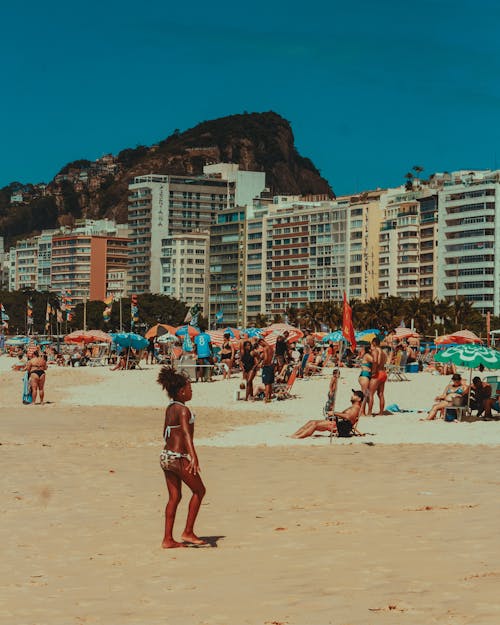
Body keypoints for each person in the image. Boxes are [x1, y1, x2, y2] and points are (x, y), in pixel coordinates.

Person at [157, 367, 206, 549]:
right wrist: (193, 456)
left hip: (165, 456)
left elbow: (165, 432)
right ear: (181, 391)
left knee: (174, 497)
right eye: (190, 388)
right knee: (200, 491)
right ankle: (188, 531)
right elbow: (186, 434)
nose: (191, 391)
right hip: (177, 457)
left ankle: (168, 539)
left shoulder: (170, 408)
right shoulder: (184, 410)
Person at [291, 389, 364, 438]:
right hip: (338, 423)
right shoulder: (354, 407)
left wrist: (334, 413)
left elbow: (349, 417)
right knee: (311, 421)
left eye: (354, 395)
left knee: (314, 425)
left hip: (340, 427)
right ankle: (294, 435)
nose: (352, 396)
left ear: (359, 399)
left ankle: (299, 437)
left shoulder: (355, 408)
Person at [367, 337, 387, 416]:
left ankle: (369, 413)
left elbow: (376, 361)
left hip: (378, 373)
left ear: (374, 343)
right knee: (381, 394)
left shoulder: (375, 351)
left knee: (370, 394)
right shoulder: (383, 352)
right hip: (383, 373)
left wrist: (373, 372)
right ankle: (381, 412)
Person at [258, 338, 275, 403]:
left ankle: (266, 398)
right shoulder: (271, 347)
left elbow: (265, 358)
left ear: (262, 341)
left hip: (267, 366)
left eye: (260, 344)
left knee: (266, 383)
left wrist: (262, 364)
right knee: (270, 382)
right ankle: (269, 397)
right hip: (271, 366)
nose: (261, 346)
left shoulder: (265, 348)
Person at [358, 345, 373, 415]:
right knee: (365, 395)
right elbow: (375, 361)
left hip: (365, 375)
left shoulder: (367, 355)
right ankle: (362, 412)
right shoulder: (367, 355)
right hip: (365, 375)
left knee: (366, 394)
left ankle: (363, 411)